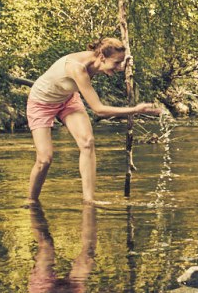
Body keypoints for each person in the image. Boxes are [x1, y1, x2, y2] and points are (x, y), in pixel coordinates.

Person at [26, 37, 161, 204]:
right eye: (117, 63)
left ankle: (89, 200)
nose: (120, 68)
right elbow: (99, 109)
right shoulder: (77, 68)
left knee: (87, 142)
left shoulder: (100, 58)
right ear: (102, 57)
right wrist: (136, 110)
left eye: (121, 63)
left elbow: (116, 57)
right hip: (41, 103)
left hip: (67, 99)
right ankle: (31, 201)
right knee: (45, 159)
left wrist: (125, 59)